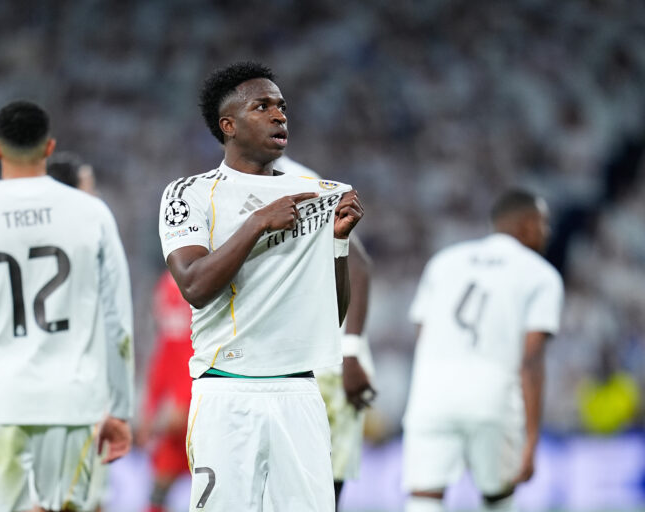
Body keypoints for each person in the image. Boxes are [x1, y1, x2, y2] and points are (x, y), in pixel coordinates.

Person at [157, 61, 363, 511]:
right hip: (227, 392)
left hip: (300, 393)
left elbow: (334, 314)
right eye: (263, 106)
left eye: (282, 107)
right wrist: (257, 223)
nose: (279, 115)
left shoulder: (312, 193)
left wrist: (339, 246)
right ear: (227, 125)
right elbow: (193, 285)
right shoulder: (189, 194)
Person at [0, 100, 134, 512]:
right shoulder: (93, 215)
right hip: (73, 402)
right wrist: (120, 409)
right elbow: (118, 321)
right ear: (49, 148)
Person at [402, 189, 564, 512]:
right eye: (543, 224)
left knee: (424, 497)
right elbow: (531, 360)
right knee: (498, 496)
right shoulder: (541, 275)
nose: (547, 233)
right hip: (494, 395)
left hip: (431, 392)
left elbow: (422, 331)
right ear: (527, 225)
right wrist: (532, 438)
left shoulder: (444, 261)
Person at [275, 156, 376, 510]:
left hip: (328, 368)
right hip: (286, 363)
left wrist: (351, 351)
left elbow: (358, 263)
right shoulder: (237, 183)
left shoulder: (294, 181)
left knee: (321, 496)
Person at [136, 272, 193, 512]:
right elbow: (164, 359)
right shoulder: (170, 279)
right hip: (177, 422)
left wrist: (186, 404)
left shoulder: (202, 269)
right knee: (159, 488)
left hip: (199, 407)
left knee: (217, 482)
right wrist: (149, 411)